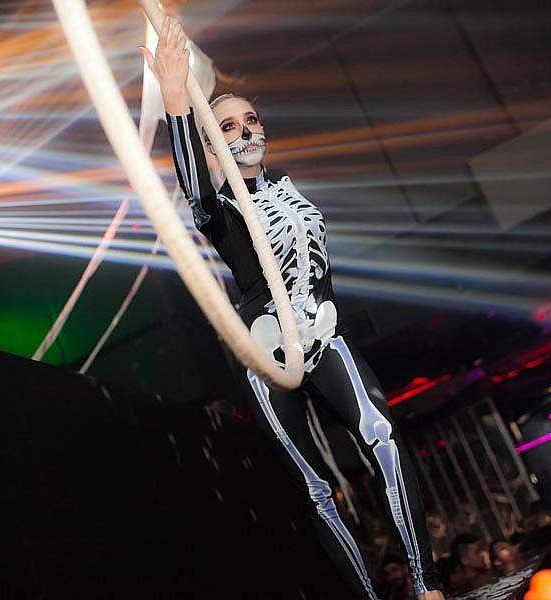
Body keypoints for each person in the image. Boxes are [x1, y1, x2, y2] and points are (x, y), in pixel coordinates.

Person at [140, 17, 443, 600]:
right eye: (228, 126)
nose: (245, 130)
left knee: (382, 436)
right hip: (268, 351)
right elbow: (196, 190)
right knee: (314, 486)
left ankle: (426, 584)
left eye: (251, 119)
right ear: (212, 146)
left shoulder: (287, 185)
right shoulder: (221, 208)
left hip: (325, 334)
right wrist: (177, 103)